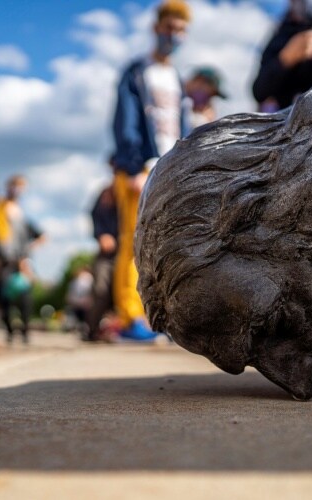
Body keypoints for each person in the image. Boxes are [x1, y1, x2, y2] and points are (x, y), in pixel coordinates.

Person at [111, 0, 192, 341]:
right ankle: (132, 317)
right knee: (133, 242)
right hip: (140, 167)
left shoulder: (176, 77)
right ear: (157, 28)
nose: (173, 36)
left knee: (172, 243)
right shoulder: (136, 71)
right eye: (169, 28)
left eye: (180, 31)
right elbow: (125, 121)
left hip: (170, 166)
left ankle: (168, 317)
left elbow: (182, 124)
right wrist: (132, 166)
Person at [0, 175, 45, 344]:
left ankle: (25, 331)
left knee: (25, 297)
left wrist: (27, 251)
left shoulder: (22, 214)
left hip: (21, 261)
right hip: (3, 260)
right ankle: (10, 330)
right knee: (2, 297)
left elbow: (41, 235)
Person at [85, 157, 119, 342]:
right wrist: (101, 234)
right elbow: (95, 216)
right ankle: (93, 328)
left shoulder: (136, 188)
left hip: (131, 252)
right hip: (108, 253)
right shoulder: (106, 193)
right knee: (101, 288)